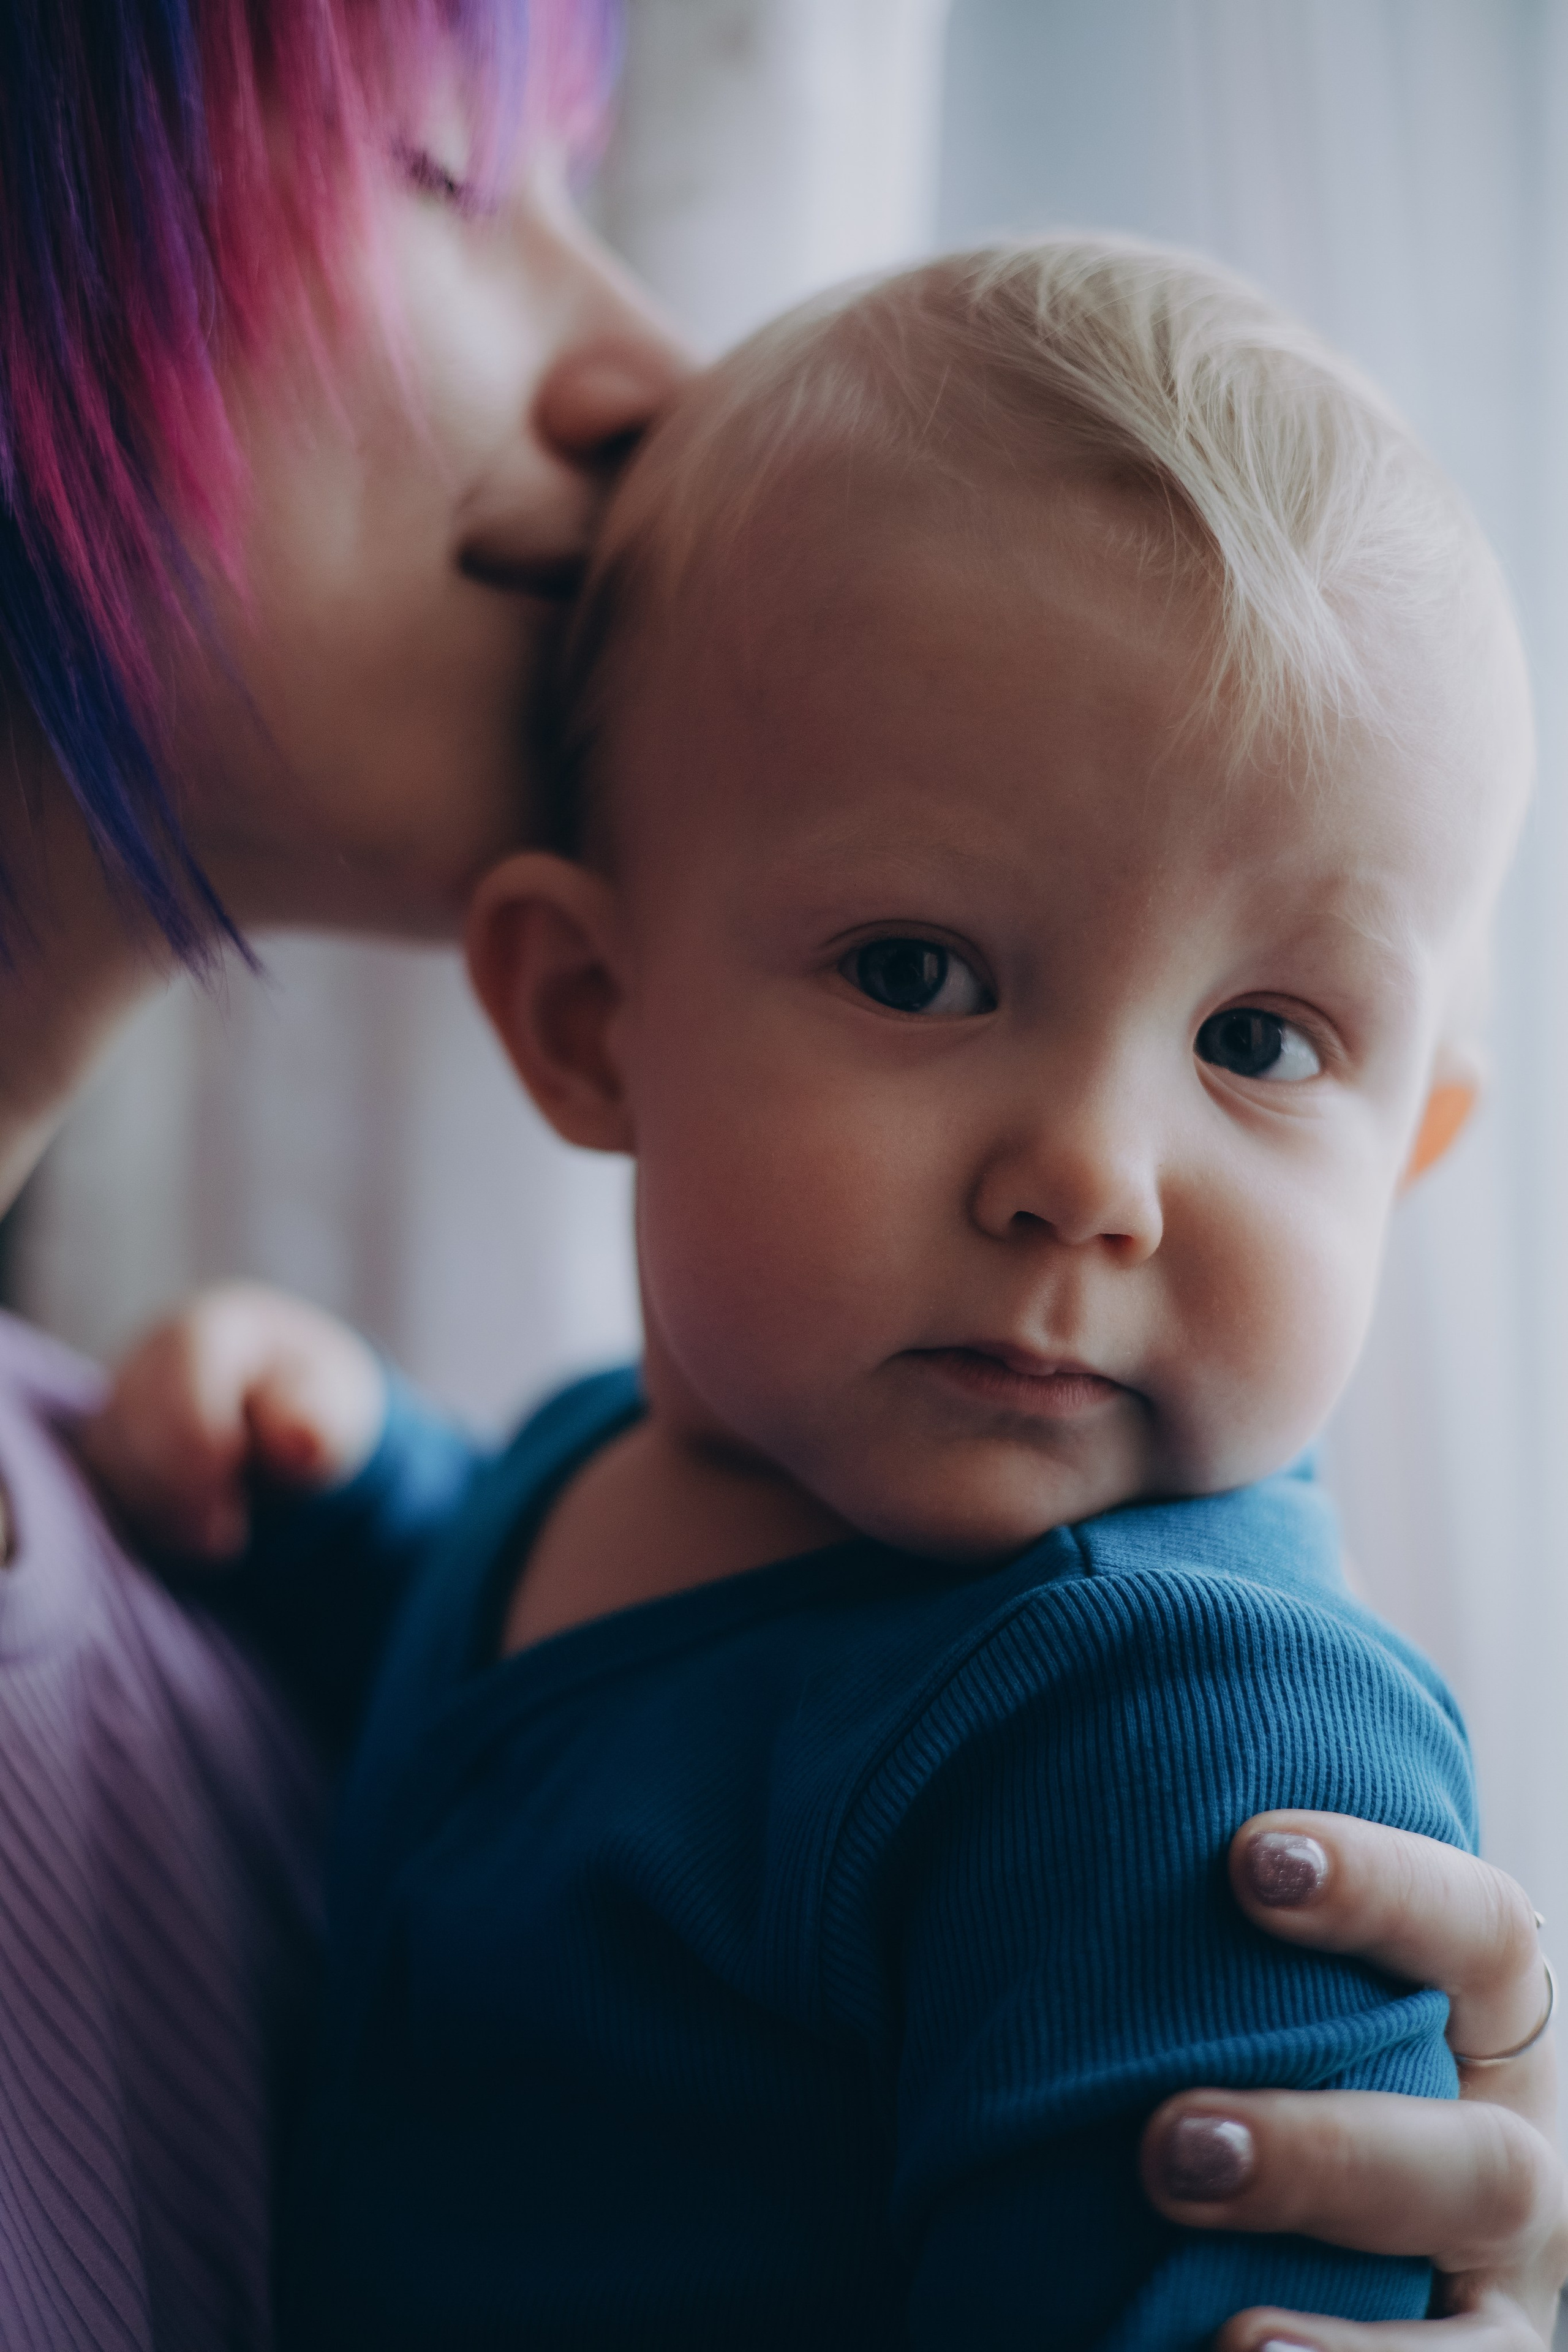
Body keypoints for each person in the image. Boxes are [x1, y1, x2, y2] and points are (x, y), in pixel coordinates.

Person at [1, 2, 1562, 2345]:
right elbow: (540, 1708)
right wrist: (338, 1511)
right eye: (443, 183)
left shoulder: (1182, 1729)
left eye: (1260, 1043)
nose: (1091, 1176)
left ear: (1417, 1146)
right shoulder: (598, 1480)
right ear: (586, 1016)